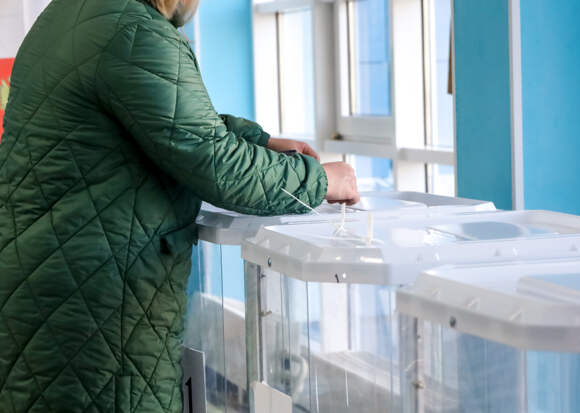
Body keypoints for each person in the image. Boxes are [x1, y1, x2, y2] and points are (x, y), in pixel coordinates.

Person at [0, 0, 359, 411]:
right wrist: (321, 180)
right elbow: (216, 163)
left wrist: (259, 141)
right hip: (101, 304)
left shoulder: (71, 14)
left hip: (52, 282)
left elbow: (159, 116)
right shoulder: (135, 31)